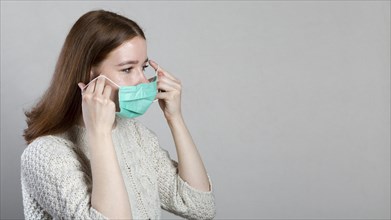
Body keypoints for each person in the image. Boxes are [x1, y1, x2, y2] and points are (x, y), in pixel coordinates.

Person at [21, 10, 215, 220]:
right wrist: (99, 134)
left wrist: (174, 118)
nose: (142, 80)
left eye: (143, 67)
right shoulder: (43, 155)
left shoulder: (135, 134)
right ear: (89, 74)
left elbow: (200, 207)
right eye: (127, 69)